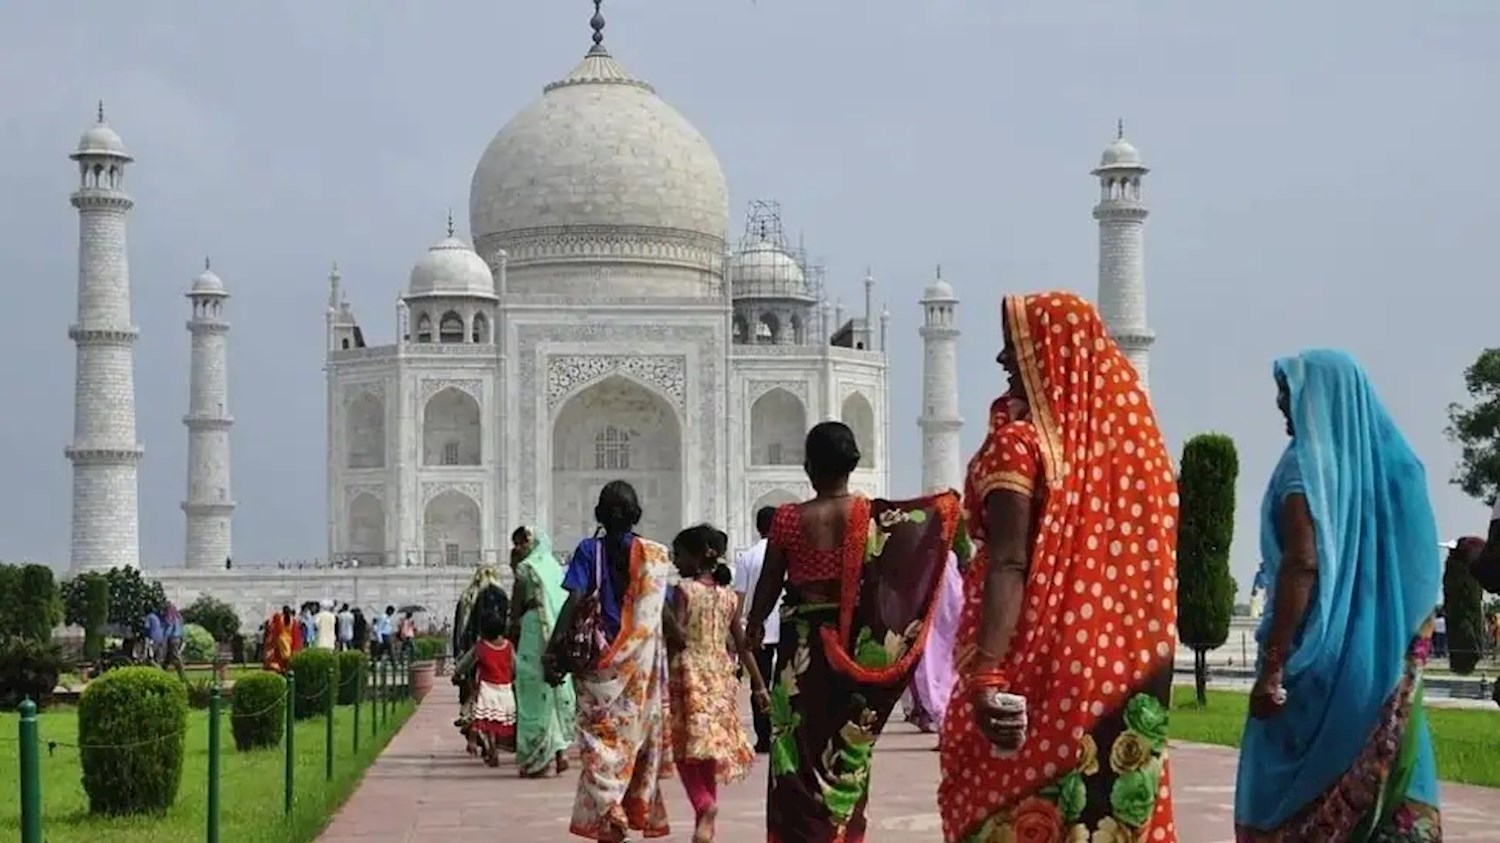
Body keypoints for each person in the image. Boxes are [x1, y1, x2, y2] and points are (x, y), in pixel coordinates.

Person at [938, 291, 1180, 843]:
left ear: (1053, 354)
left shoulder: (1019, 445)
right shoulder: (1130, 456)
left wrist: (988, 671)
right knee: (1100, 817)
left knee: (1014, 809)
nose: (1004, 361)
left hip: (1034, 665)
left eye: (1016, 347)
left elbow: (1008, 561)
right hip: (1119, 673)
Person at [1235, 349, 1442, 840]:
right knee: (1387, 792)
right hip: (1384, 669)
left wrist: (1273, 666)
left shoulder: (1304, 471)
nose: (1282, 406)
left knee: (1284, 795)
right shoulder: (1396, 470)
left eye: (1290, 393)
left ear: (1322, 398)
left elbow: (1302, 564)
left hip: (1320, 668)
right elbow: (1417, 571)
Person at [746, 421, 961, 843]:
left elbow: (770, 583)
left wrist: (753, 627)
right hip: (852, 648)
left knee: (795, 751)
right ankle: (841, 833)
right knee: (847, 750)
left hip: (800, 652)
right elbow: (895, 573)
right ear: (853, 464)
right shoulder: (870, 517)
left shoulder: (788, 518)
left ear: (808, 466)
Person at [544, 480, 674, 842]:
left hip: (597, 664)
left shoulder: (589, 550)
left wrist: (554, 646)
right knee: (630, 742)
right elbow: (664, 615)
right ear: (636, 514)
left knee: (598, 743)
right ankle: (622, 807)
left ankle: (609, 805)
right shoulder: (655, 556)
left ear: (599, 513)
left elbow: (575, 599)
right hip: (638, 669)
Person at [665, 524, 766, 842]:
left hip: (689, 674)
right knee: (707, 750)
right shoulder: (726, 597)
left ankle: (704, 804)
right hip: (720, 676)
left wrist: (663, 616)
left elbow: (679, 638)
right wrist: (759, 686)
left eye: (679, 555)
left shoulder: (685, 591)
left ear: (697, 557)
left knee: (684, 749)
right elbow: (741, 643)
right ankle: (705, 822)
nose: (675, 561)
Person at [509, 525, 575, 778]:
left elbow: (515, 611)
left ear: (532, 543)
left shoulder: (526, 570)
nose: (518, 549)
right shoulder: (553, 568)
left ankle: (538, 759)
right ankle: (560, 752)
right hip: (556, 636)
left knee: (532, 692)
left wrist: (509, 633)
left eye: (522, 543)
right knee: (553, 688)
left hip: (533, 632)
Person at [732, 506, 781, 753]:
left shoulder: (748, 557)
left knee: (759, 684)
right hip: (785, 628)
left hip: (757, 630)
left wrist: (738, 629)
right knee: (785, 684)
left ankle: (764, 737)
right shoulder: (787, 555)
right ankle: (783, 736)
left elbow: (738, 599)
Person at [904, 548, 963, 738]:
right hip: (926, 584)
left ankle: (942, 719)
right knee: (928, 657)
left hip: (941, 584)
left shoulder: (946, 557)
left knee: (937, 657)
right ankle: (940, 718)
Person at [454, 599, 518, 767]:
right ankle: (493, 747)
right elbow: (516, 666)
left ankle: (490, 748)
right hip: (505, 689)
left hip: (486, 689)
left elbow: (464, 664)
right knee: (498, 722)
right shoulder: (508, 646)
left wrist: (457, 673)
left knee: (486, 722)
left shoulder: (481, 647)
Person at [453, 564, 509, 754]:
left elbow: (461, 628)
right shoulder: (498, 595)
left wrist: (458, 659)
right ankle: (487, 739)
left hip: (473, 650)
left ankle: (472, 735)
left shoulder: (468, 596)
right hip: (496, 650)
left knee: (471, 697)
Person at [263, 605, 302, 673]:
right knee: (288, 661)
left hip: (280, 642)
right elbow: (296, 635)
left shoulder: (279, 619)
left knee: (279, 661)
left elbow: (274, 631)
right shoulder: (293, 621)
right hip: (290, 643)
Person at [162, 602, 187, 681]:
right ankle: (162, 672)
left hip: (172, 639)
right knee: (168, 658)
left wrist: (163, 638)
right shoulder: (179, 618)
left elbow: (168, 630)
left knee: (175, 657)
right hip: (178, 638)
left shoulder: (171, 618)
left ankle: (182, 675)